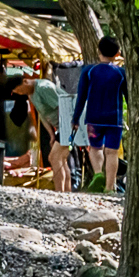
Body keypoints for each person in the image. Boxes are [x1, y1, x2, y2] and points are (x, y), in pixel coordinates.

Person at [73, 39, 128, 188]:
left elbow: (81, 97)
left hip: (93, 118)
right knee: (112, 152)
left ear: (99, 51)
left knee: (96, 148)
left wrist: (75, 118)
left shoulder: (89, 71)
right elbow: (128, 97)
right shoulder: (121, 73)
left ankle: (98, 173)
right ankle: (109, 187)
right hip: (114, 119)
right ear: (117, 54)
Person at [24, 63, 68, 187]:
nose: (18, 92)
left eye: (18, 89)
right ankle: (67, 191)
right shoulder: (31, 94)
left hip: (68, 123)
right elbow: (43, 115)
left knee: (54, 157)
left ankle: (60, 192)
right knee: (61, 159)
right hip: (59, 127)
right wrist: (52, 135)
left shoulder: (44, 87)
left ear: (25, 81)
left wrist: (64, 129)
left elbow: (61, 105)